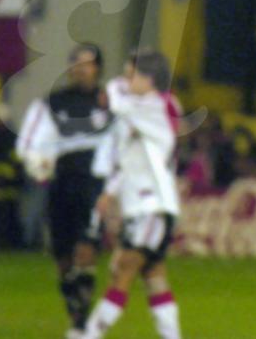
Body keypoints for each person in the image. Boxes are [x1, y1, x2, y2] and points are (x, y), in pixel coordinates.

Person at [15, 44, 113, 339]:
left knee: (85, 250)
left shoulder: (111, 102)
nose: (79, 68)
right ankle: (75, 314)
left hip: (95, 184)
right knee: (63, 258)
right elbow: (29, 143)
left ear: (97, 68)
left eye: (86, 63)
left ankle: (81, 324)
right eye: (75, 63)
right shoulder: (53, 103)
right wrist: (37, 160)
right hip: (63, 182)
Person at [83, 49, 182, 339]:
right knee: (154, 277)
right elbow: (128, 158)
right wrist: (110, 192)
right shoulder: (138, 111)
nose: (124, 81)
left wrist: (116, 87)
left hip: (152, 207)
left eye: (130, 75)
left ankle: (88, 334)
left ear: (149, 79)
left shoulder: (156, 105)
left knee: (121, 271)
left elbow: (111, 99)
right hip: (141, 206)